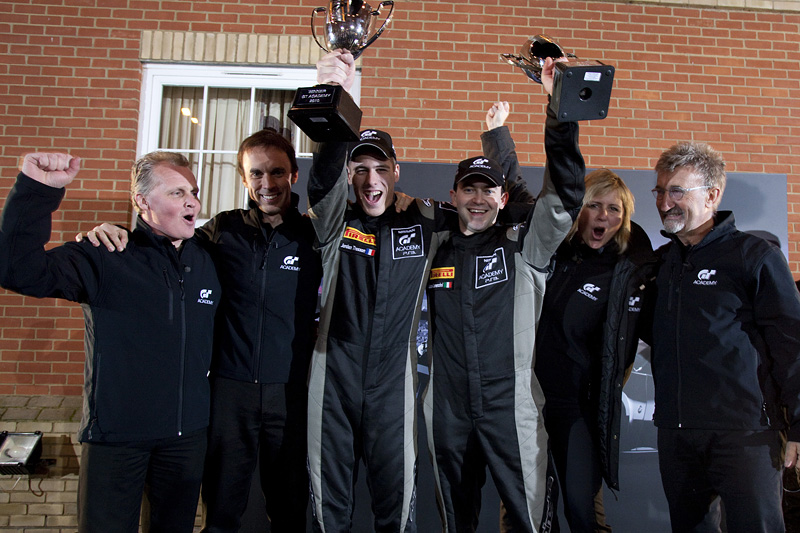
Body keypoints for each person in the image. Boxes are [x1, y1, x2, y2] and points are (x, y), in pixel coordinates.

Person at [80, 130, 322, 532]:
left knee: (290, 510)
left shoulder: (313, 237)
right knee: (222, 509)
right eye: (256, 173)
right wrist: (115, 231)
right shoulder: (223, 230)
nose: (267, 183)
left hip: (291, 393)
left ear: (294, 175)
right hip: (229, 394)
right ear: (243, 179)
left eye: (277, 172)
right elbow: (165, 245)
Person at [0, 152, 221, 532]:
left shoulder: (207, 260)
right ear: (142, 201)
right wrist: (37, 191)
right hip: (117, 439)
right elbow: (17, 270)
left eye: (194, 192)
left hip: (186, 439)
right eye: (177, 193)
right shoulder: (106, 254)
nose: (192, 203)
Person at [423, 57, 586, 532]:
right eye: (468, 189)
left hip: (509, 404)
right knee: (456, 520)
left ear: (503, 198)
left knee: (529, 520)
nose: (478, 199)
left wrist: (559, 112)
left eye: (488, 190)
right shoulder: (430, 249)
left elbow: (564, 196)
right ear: (453, 195)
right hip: (448, 405)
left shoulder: (524, 247)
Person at [306, 50, 454, 532]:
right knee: (330, 507)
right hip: (334, 375)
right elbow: (322, 180)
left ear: (396, 171)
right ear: (350, 174)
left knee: (397, 504)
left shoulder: (425, 219)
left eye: (381, 168)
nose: (372, 180)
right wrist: (335, 98)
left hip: (396, 380)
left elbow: (488, 217)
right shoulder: (334, 221)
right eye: (360, 169)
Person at [649, 141, 800, 532]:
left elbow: (791, 343)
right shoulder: (662, 263)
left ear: (712, 195)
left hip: (745, 434)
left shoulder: (754, 256)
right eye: (660, 191)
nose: (665, 202)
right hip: (677, 435)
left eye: (677, 191)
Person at [532, 169, 655, 532]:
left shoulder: (629, 272)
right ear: (578, 210)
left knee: (581, 511)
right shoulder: (553, 250)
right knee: (530, 512)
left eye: (614, 209)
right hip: (528, 403)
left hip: (578, 408)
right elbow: (518, 197)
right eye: (595, 205)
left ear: (625, 218)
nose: (604, 215)